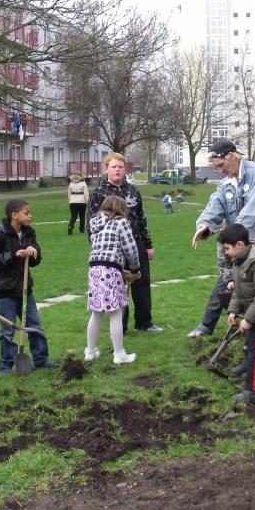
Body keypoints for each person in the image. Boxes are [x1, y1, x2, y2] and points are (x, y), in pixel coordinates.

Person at [187, 139, 255, 338]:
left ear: (233, 156)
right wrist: (204, 226)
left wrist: (232, 232)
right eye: (215, 168)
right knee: (226, 285)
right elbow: (214, 207)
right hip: (239, 248)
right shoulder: (225, 185)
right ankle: (208, 326)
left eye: (220, 166)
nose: (219, 171)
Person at [87, 152, 163, 333]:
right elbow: (91, 222)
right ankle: (120, 325)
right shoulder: (99, 193)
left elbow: (142, 218)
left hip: (136, 243)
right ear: (107, 169)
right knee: (119, 285)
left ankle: (145, 322)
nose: (118, 170)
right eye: (114, 167)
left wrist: (148, 244)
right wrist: (95, 244)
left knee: (142, 282)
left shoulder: (132, 190)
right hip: (113, 248)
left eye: (121, 167)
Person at [0, 199, 57, 374]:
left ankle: (41, 359)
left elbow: (34, 261)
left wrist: (34, 252)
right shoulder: (0, 233)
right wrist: (13, 255)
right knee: (7, 330)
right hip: (5, 288)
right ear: (14, 215)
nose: (30, 216)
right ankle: (6, 365)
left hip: (23, 286)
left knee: (34, 324)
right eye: (26, 213)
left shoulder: (29, 232)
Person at [219, 223, 255, 404]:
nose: (225, 253)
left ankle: (254, 391)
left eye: (227, 248)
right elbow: (238, 290)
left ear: (240, 245)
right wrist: (233, 311)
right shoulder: (239, 261)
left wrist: (249, 319)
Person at [85, 195, 141, 364]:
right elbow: (130, 249)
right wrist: (135, 268)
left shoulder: (94, 224)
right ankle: (119, 354)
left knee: (96, 313)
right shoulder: (121, 222)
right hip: (111, 270)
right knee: (116, 312)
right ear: (121, 208)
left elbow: (103, 250)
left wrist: (120, 268)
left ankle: (90, 351)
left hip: (95, 269)